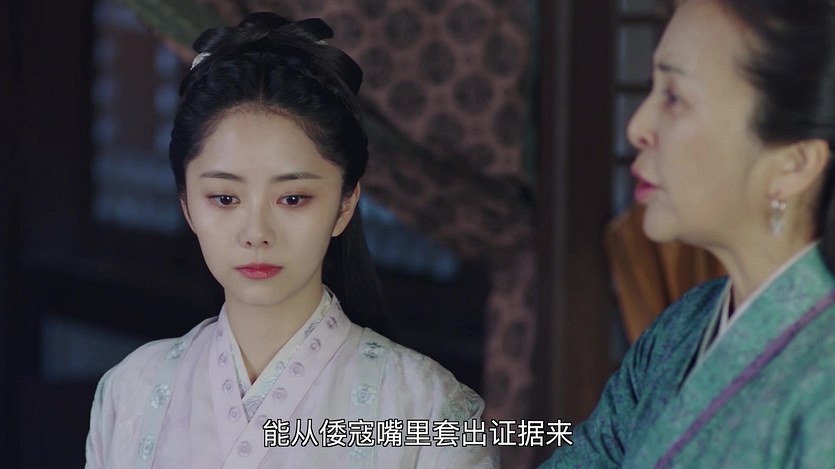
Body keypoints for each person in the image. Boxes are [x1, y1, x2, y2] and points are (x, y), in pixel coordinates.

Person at [85, 13, 496, 469]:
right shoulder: (131, 390)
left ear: (345, 205)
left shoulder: (428, 407)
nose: (257, 233)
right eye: (225, 198)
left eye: (293, 198)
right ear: (187, 205)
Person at [540, 0, 835, 467]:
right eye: (652, 89)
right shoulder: (679, 331)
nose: (637, 127)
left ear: (793, 164)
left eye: (674, 97)